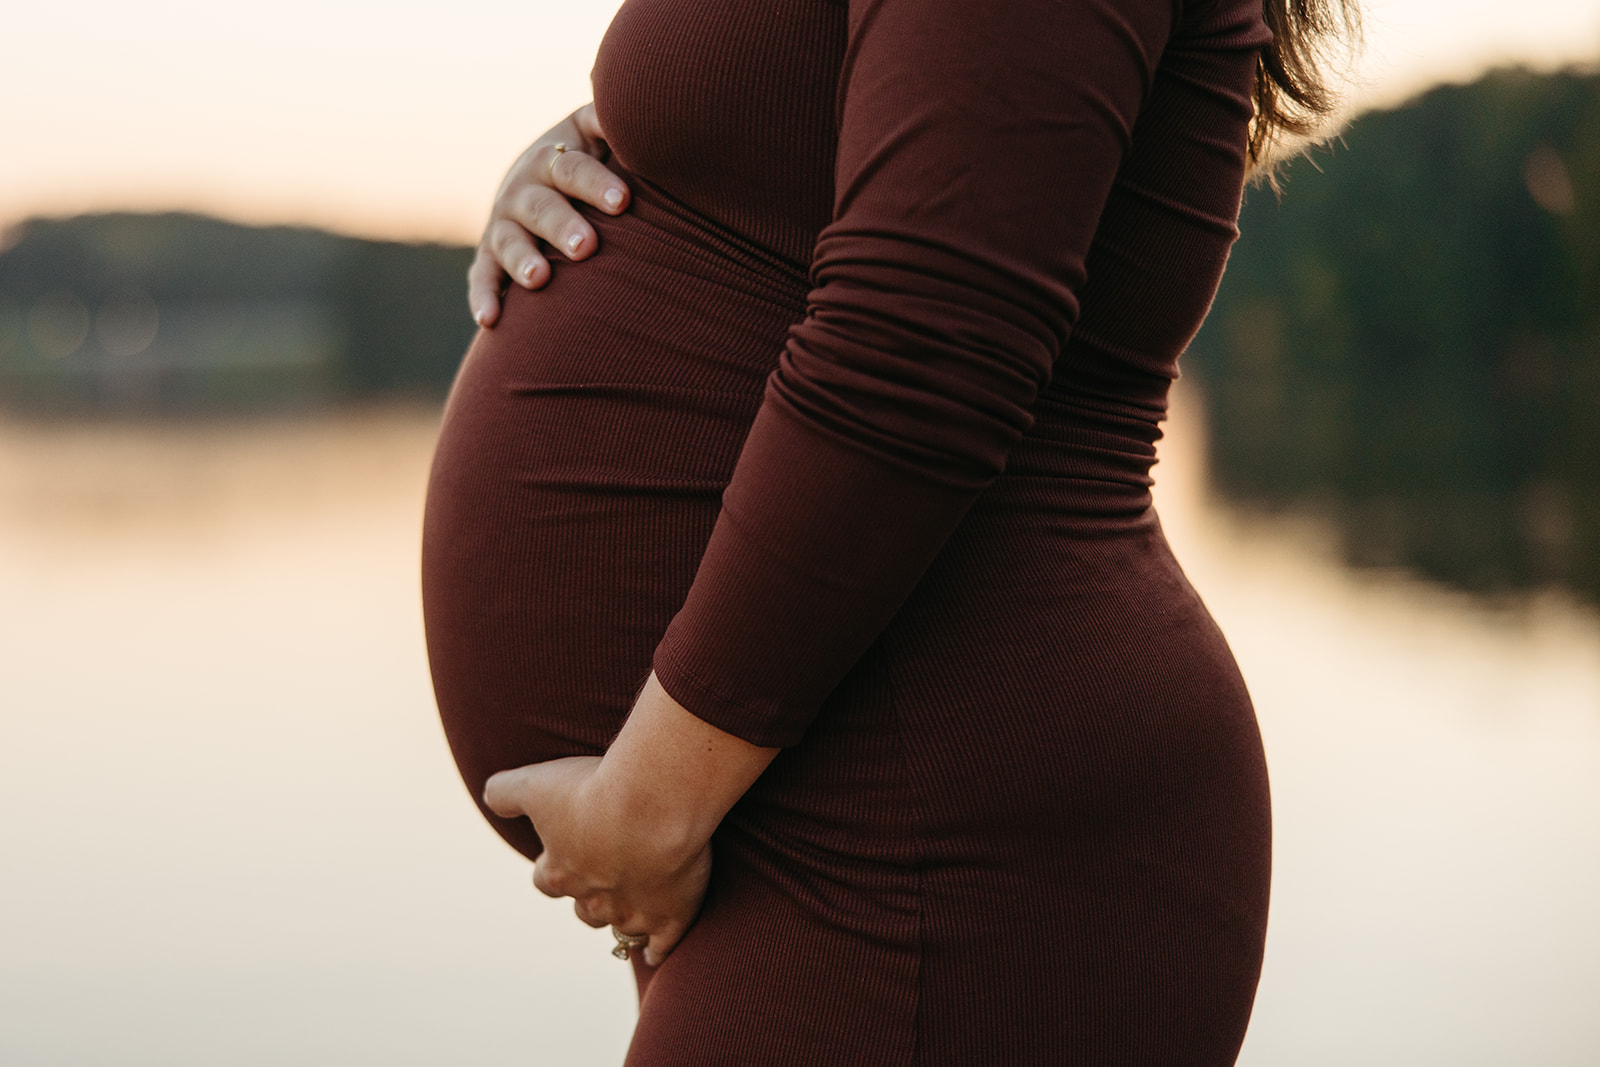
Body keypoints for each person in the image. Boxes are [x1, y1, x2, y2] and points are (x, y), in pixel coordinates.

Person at [420, 0, 1357, 1062]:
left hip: (938, 840)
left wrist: (649, 803)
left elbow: (930, 333)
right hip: (832, 815)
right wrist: (603, 157)